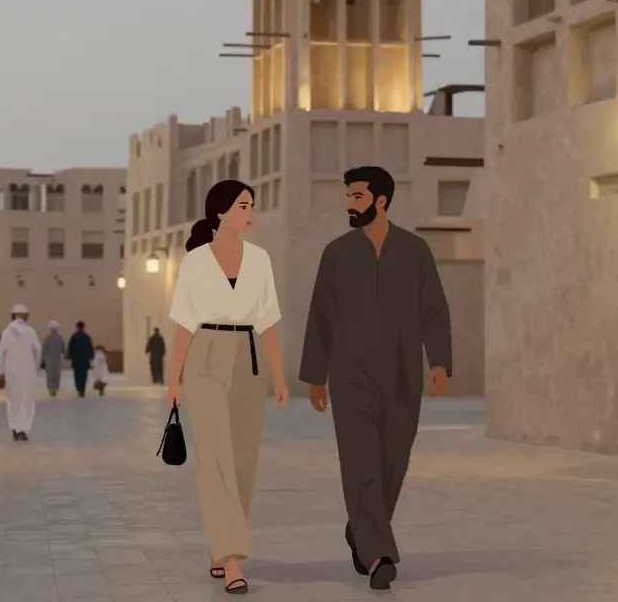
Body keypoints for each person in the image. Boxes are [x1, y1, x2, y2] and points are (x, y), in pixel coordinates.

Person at [300, 165, 452, 591]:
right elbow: (320, 315)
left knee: (393, 462)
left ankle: (362, 528)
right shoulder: (336, 253)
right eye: (347, 196)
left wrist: (439, 362)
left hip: (403, 373)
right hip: (350, 376)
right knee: (360, 461)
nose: (349, 204)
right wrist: (316, 376)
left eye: (357, 196)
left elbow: (434, 308)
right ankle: (378, 555)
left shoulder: (415, 250)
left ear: (380, 201)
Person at [167, 179, 290, 596]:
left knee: (241, 462)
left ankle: (218, 547)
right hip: (206, 354)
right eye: (242, 205)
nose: (251, 212)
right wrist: (174, 377)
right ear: (220, 212)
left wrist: (278, 375)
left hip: (249, 357)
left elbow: (268, 320)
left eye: (252, 205)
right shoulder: (196, 262)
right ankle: (233, 558)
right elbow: (184, 322)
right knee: (215, 457)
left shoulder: (260, 259)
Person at [0, 304, 42, 441]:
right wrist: (36, 366)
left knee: (13, 399)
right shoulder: (30, 332)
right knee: (26, 399)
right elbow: (38, 350)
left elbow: (1, 353)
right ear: (26, 316)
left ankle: (14, 426)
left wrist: (0, 371)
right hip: (28, 371)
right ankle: (23, 428)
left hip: (11, 371)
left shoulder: (6, 332)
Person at [67, 321, 95, 398]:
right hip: (84, 359)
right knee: (84, 375)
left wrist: (69, 356)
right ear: (83, 327)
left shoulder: (74, 337)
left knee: (77, 374)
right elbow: (90, 347)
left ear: (77, 327)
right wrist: (91, 356)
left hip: (76, 359)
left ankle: (79, 389)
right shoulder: (86, 337)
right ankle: (82, 389)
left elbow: (70, 347)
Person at [42, 321, 66, 397]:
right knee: (57, 375)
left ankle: (51, 389)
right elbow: (63, 349)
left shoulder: (47, 338)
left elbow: (44, 349)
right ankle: (55, 388)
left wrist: (42, 359)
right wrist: (66, 355)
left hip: (49, 360)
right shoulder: (60, 338)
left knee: (50, 375)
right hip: (57, 360)